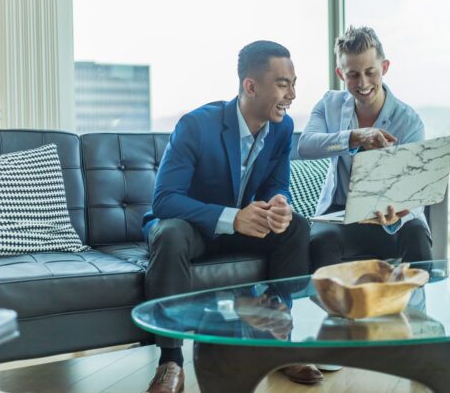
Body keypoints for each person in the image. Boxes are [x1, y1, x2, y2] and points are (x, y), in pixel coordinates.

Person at [141, 41, 320, 393]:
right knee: (170, 234)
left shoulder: (282, 128)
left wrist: (277, 206)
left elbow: (276, 183)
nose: (293, 94)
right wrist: (232, 218)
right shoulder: (196, 125)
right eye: (283, 84)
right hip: (190, 226)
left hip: (238, 224)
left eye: (294, 83)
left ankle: (277, 337)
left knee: (296, 225)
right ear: (250, 86)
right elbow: (164, 200)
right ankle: (171, 362)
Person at [298, 26, 433, 272]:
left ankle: (417, 309)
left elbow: (415, 192)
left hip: (390, 217)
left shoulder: (409, 121)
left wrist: (397, 214)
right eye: (353, 75)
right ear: (340, 73)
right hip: (339, 215)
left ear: (385, 67)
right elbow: (305, 146)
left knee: (417, 235)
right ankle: (333, 310)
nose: (363, 83)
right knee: (320, 241)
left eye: (370, 72)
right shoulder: (329, 105)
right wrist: (354, 137)